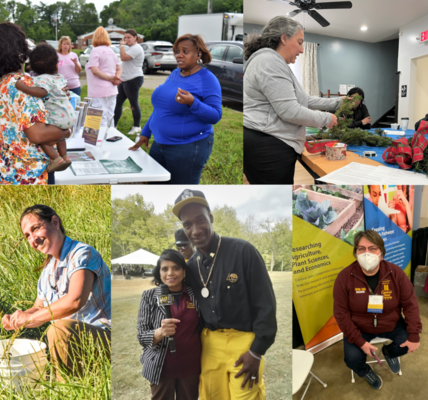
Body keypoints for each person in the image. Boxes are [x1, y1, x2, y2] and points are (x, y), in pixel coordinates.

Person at [172, 189, 277, 399]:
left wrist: (256, 352)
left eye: (200, 220)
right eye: (187, 225)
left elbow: (266, 304)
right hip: (210, 345)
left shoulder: (243, 251)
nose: (195, 230)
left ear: (210, 218)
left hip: (244, 342)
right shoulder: (191, 267)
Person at [2, 205, 111, 379]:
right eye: (27, 236)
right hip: (75, 341)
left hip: (105, 336)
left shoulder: (82, 253)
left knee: (59, 329)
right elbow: (38, 308)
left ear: (55, 222)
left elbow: (75, 301)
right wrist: (18, 318)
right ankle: (67, 385)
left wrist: (29, 318)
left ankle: (66, 391)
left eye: (35, 229)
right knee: (57, 331)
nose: (32, 240)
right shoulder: (47, 271)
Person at [243, 16, 348, 184]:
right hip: (268, 147)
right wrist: (327, 119)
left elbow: (303, 99)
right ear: (284, 38)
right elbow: (290, 110)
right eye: (299, 43)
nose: (302, 50)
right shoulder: (269, 61)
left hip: (268, 143)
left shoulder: (275, 63)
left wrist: (338, 102)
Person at [0, 22, 70, 185]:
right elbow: (38, 135)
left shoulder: (2, 82)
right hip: (28, 173)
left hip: (3, 167)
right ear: (18, 50)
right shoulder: (25, 85)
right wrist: (66, 131)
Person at [333, 230, 422, 390]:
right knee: (351, 359)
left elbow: (410, 304)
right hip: (359, 328)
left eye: (372, 248)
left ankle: (389, 352)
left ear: (381, 253)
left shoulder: (396, 274)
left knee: (408, 344)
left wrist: (414, 334)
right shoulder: (344, 277)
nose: (366, 253)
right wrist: (359, 341)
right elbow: (341, 313)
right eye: (361, 249)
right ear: (355, 253)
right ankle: (365, 371)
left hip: (391, 324)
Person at [129, 34, 222, 184]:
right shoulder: (175, 73)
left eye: (185, 52)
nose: (179, 55)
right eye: (177, 51)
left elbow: (215, 116)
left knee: (180, 189)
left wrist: (193, 103)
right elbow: (161, 109)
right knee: (155, 188)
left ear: (198, 54)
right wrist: (146, 132)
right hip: (159, 144)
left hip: (188, 147)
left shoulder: (208, 79)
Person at [137, 249, 202, 400]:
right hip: (162, 368)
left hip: (191, 366)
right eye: (165, 269)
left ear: (184, 272)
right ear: (159, 273)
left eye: (176, 268)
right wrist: (159, 332)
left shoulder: (195, 295)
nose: (170, 273)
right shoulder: (149, 297)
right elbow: (142, 337)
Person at [15, 44, 75, 172]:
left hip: (56, 118)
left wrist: (23, 87)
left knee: (44, 140)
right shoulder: (59, 78)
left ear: (32, 66)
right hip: (68, 117)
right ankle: (65, 156)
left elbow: (42, 92)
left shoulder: (41, 79)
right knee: (60, 138)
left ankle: (56, 159)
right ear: (56, 64)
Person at [86, 27, 122, 128]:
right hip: (112, 90)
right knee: (110, 115)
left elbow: (95, 70)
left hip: (98, 90)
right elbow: (119, 69)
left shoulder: (95, 51)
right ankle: (110, 136)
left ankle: (100, 140)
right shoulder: (112, 51)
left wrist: (111, 78)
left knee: (98, 117)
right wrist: (116, 78)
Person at [113, 29, 145, 133]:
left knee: (133, 103)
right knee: (117, 102)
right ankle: (113, 126)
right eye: (125, 38)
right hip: (125, 79)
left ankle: (137, 126)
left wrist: (122, 46)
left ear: (135, 37)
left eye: (129, 37)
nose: (126, 40)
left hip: (134, 79)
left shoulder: (136, 48)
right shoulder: (131, 48)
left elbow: (123, 58)